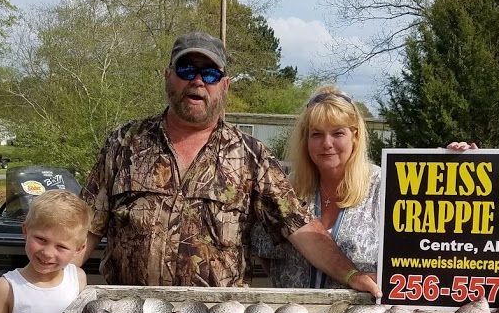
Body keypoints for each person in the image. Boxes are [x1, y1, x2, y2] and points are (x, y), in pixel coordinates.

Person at [78, 31, 382, 298]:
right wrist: (52, 284)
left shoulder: (251, 155)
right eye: (187, 69)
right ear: (168, 75)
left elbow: (301, 227)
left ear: (225, 85)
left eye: (210, 74)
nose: (198, 81)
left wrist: (352, 275)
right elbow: (84, 229)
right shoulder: (123, 144)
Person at [255, 84, 477, 288]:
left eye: (338, 133)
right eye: (317, 134)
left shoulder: (388, 186)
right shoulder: (286, 190)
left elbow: (442, 242)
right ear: (306, 140)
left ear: (356, 136)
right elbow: (263, 250)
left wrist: (459, 174)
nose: (327, 143)